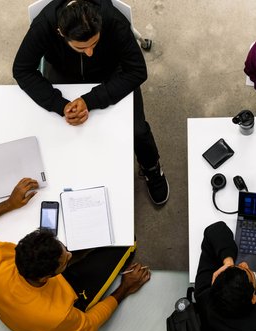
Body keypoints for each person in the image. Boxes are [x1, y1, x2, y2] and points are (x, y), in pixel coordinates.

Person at [0, 178, 151, 331]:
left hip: (22, 302)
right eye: (65, 259)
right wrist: (125, 288)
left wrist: (9, 204)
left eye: (63, 248)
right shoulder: (58, 315)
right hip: (60, 300)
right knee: (127, 241)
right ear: (47, 277)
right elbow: (88, 327)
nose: (69, 254)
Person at [13, 0, 169, 205]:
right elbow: (22, 70)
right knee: (57, 130)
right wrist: (61, 105)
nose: (89, 52)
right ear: (61, 33)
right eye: (81, 47)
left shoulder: (113, 20)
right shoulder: (44, 25)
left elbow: (137, 70)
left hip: (111, 74)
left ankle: (151, 167)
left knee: (138, 130)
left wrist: (90, 100)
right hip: (64, 74)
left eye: (94, 44)